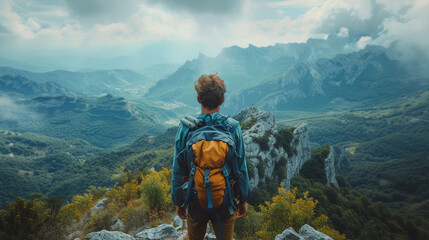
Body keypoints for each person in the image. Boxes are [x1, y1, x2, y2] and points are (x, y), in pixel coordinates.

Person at [171, 74, 250, 240]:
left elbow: (178, 168)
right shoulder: (232, 127)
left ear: (198, 98)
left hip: (195, 197)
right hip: (225, 198)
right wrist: (243, 199)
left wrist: (179, 201)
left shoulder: (186, 129)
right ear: (222, 100)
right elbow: (241, 167)